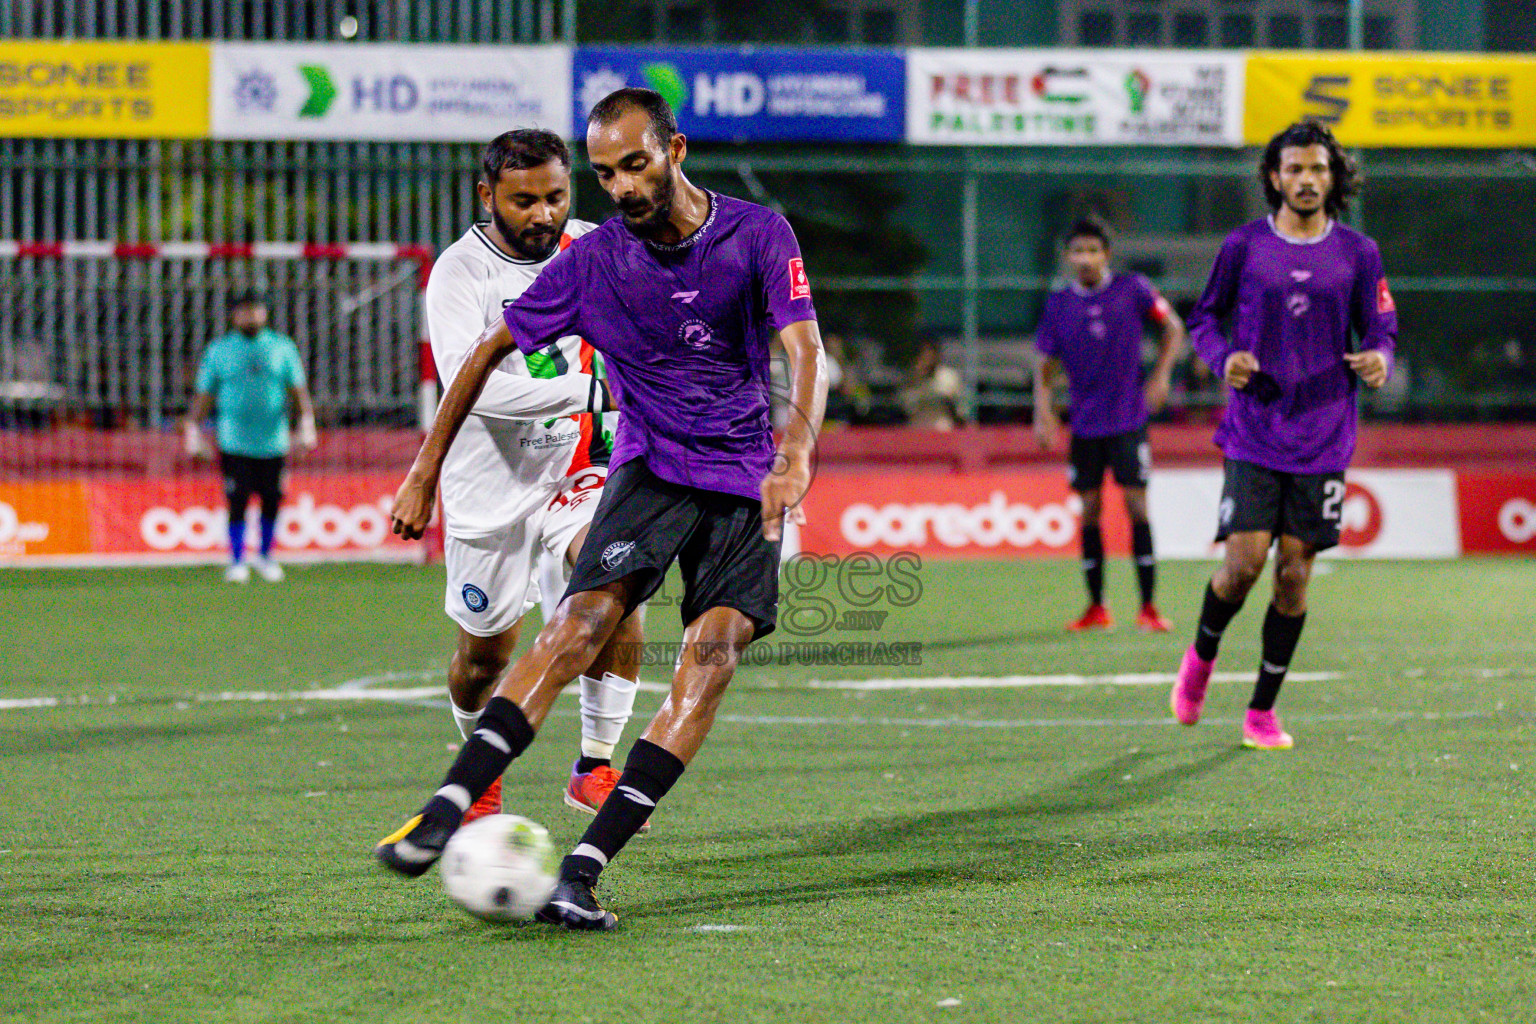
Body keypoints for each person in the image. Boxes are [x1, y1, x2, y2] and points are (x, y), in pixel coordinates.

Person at [375, 87, 827, 930]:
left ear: (675, 150)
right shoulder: (593, 262)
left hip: (743, 477)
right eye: (606, 173)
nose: (619, 186)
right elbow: (485, 352)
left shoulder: (759, 233)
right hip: (649, 468)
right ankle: (451, 802)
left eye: (634, 165)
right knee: (575, 623)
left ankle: (582, 868)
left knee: (712, 659)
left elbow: (805, 349)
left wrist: (797, 452)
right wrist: (425, 468)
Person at [424, 128, 646, 826]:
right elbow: (475, 386)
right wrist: (589, 392)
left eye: (555, 196)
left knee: (619, 572)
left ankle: (595, 764)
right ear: (488, 196)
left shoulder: (598, 246)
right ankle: (482, 777)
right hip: (490, 484)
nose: (543, 214)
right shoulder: (460, 274)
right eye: (523, 201)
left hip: (579, 466)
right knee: (484, 656)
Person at [1170, 120, 1395, 750]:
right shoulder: (1243, 247)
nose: (1306, 179)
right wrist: (1223, 359)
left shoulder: (1359, 252)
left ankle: (1261, 712)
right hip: (1254, 430)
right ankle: (1200, 662)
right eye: (1294, 169)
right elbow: (1206, 319)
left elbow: (1380, 327)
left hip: (1324, 435)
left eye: (1318, 169)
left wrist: (1380, 357)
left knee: (1294, 575)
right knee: (1242, 563)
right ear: (1275, 177)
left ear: (1334, 177)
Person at [1034, 216, 1185, 633]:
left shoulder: (1132, 288)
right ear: (1067, 257)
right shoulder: (1060, 303)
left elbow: (1173, 326)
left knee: (1137, 504)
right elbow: (1045, 363)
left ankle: (1148, 607)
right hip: (1084, 425)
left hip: (1127, 419)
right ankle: (1096, 607)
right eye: (1077, 251)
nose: (1085, 259)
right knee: (1089, 509)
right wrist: (1043, 410)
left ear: (1106, 255)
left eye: (1092, 251)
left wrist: (1161, 375)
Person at [183, 290, 316, 583]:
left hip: (274, 441)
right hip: (234, 441)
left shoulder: (281, 347)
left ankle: (266, 557)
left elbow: (297, 390)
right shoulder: (220, 350)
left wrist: (307, 425)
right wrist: (193, 431)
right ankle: (237, 560)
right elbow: (205, 394)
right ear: (234, 316)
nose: (250, 316)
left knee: (271, 499)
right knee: (237, 500)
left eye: (255, 310)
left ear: (264, 314)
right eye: (244, 311)